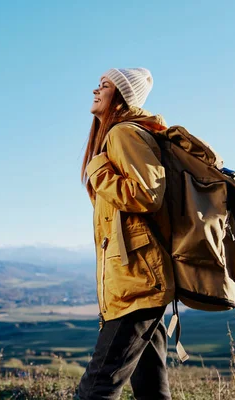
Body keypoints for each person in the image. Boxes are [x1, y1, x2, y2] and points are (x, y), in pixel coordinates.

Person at [77, 68, 175, 400]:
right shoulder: (118, 136)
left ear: (121, 97)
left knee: (95, 390)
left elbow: (148, 194)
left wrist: (98, 169)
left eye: (104, 85)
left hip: (137, 286)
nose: (95, 90)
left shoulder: (123, 135)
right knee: (151, 390)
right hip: (136, 282)